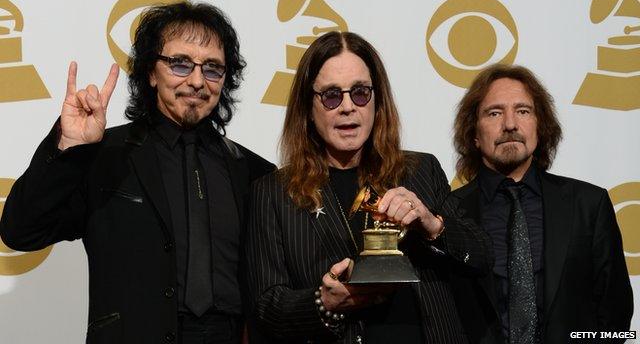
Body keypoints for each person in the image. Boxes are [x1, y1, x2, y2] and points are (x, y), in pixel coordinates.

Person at [0, 1, 274, 344]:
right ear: (150, 72)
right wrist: (68, 147)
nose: (196, 81)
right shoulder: (106, 156)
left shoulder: (256, 173)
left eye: (213, 68)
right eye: (180, 64)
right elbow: (21, 231)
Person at [245, 31, 491, 344]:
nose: (348, 107)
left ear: (377, 101)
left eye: (360, 93)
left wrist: (432, 224)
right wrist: (325, 302)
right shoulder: (273, 192)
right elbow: (267, 309)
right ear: (308, 107)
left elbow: (481, 256)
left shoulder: (421, 171)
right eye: (332, 95)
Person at [449, 63, 633, 343]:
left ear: (540, 126)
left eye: (523, 111)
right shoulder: (449, 212)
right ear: (474, 133)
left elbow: (615, 314)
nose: (510, 124)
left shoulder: (588, 205)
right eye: (494, 113)